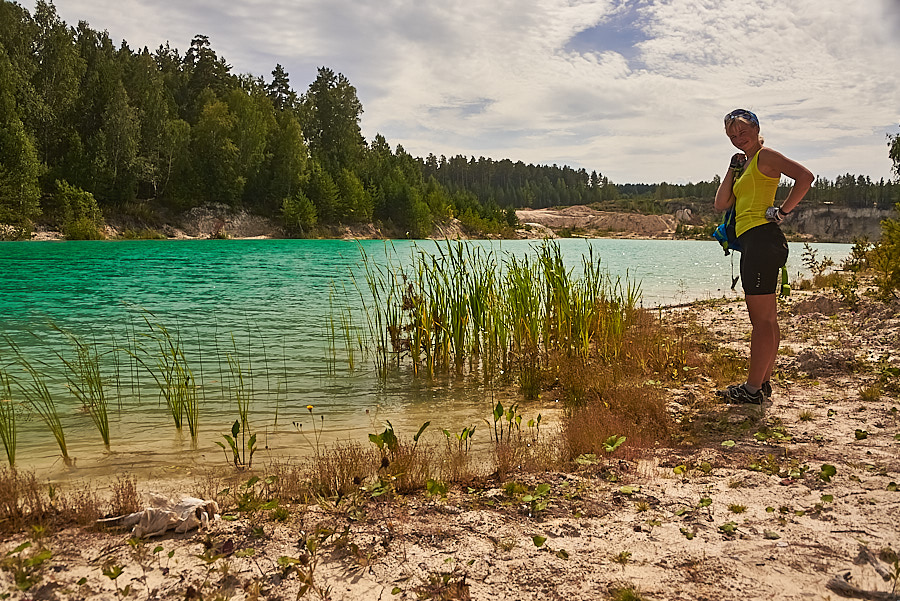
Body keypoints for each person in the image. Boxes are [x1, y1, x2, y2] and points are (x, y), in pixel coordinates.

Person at [714, 108, 814, 404]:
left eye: (743, 132)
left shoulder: (766, 156)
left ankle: (752, 389)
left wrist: (782, 212)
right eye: (732, 136)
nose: (738, 139)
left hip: (761, 239)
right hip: (755, 242)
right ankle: (763, 383)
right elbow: (721, 203)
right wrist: (733, 168)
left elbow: (805, 177)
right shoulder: (744, 166)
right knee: (768, 320)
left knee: (761, 321)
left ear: (757, 129)